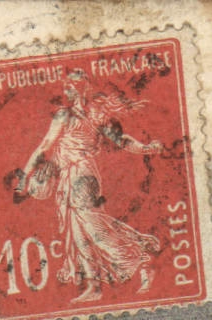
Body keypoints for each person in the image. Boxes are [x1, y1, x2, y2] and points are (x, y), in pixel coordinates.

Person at [17, 70, 166, 302]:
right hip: (75, 175)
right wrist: (145, 148)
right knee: (79, 233)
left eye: (68, 88)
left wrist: (24, 175)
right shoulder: (93, 114)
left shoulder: (68, 115)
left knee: (94, 228)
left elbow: (46, 144)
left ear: (74, 90)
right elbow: (122, 140)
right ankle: (94, 285)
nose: (66, 92)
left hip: (80, 174)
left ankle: (141, 261)